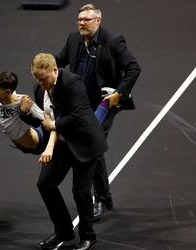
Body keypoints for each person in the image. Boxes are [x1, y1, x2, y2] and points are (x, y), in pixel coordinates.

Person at [55, 3, 141, 220]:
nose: (81, 23)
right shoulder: (73, 39)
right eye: (79, 20)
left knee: (93, 147)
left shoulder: (113, 41)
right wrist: (44, 67)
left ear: (98, 21)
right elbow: (59, 61)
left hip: (104, 103)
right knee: (94, 149)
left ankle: (101, 199)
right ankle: (105, 198)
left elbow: (133, 68)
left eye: (86, 20)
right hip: (80, 104)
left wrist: (118, 94)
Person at [29, 53, 108, 250]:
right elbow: (43, 121)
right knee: (45, 184)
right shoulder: (40, 89)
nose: (40, 83)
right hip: (62, 144)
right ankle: (63, 231)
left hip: (84, 143)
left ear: (55, 70)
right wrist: (25, 112)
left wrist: (54, 123)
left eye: (43, 78)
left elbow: (79, 116)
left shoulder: (73, 83)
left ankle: (88, 236)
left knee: (80, 191)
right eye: (37, 79)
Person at [0, 71, 110, 165]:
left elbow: (52, 123)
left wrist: (49, 148)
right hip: (21, 145)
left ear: (7, 92)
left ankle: (107, 102)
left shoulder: (25, 103)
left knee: (85, 126)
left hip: (39, 143)